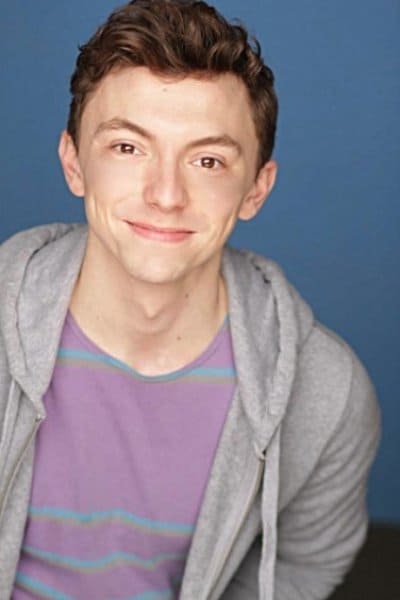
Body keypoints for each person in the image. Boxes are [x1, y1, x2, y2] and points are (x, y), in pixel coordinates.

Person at [0, 1, 380, 598]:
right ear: (74, 163)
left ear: (256, 189)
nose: (166, 194)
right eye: (128, 148)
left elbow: (304, 565)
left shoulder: (325, 391)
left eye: (208, 161)